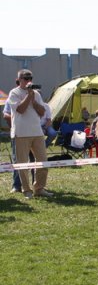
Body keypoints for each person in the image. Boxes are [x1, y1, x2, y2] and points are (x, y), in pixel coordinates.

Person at [6, 69, 53, 199]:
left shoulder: (36, 93)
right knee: (22, 164)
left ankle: (39, 188)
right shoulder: (14, 93)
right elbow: (20, 109)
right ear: (19, 80)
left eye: (30, 78)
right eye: (25, 78)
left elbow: (42, 112)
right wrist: (29, 96)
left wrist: (34, 98)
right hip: (21, 133)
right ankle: (26, 190)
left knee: (43, 162)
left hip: (37, 133)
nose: (28, 80)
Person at [3, 103, 22, 193]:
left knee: (34, 160)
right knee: (17, 160)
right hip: (17, 134)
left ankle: (37, 186)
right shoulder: (11, 97)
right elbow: (6, 114)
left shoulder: (35, 95)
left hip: (33, 133)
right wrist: (15, 122)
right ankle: (17, 185)